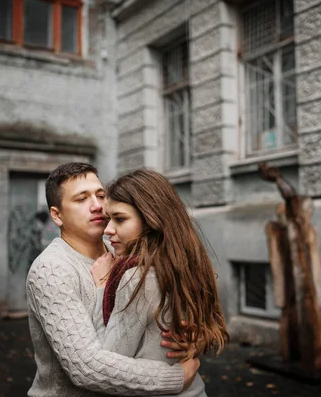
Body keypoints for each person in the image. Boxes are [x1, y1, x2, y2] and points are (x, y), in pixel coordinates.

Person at [25, 162, 200, 396]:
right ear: (57, 215)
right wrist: (177, 376)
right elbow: (86, 368)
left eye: (100, 195)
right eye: (81, 199)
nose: (97, 206)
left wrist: (189, 340)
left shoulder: (121, 246)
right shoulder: (51, 270)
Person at [90, 169, 229, 396]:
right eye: (108, 219)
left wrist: (101, 286)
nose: (108, 230)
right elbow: (212, 329)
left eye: (120, 219)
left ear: (151, 218)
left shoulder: (138, 278)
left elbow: (108, 363)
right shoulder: (186, 264)